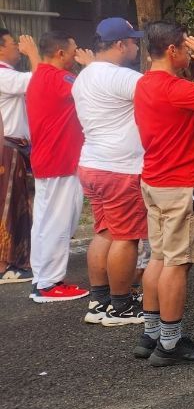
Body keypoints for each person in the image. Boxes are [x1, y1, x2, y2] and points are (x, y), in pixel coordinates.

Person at [132, 21, 194, 365]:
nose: (189, 54)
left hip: (154, 181)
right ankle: (170, 344)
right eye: (186, 49)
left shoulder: (143, 84)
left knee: (158, 258)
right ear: (172, 51)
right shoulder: (178, 89)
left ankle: (151, 333)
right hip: (179, 185)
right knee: (177, 263)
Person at [73, 17, 147, 326]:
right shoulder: (121, 78)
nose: (136, 46)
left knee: (104, 232)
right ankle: (121, 306)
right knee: (127, 239)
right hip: (120, 168)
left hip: (91, 163)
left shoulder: (85, 76)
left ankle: (99, 300)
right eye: (133, 41)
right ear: (120, 45)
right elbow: (157, 92)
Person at [27, 31, 92, 302]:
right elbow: (89, 89)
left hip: (48, 160)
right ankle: (50, 283)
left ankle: (43, 278)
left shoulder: (39, 75)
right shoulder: (59, 78)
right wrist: (92, 66)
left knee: (44, 222)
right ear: (60, 53)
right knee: (58, 222)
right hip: (61, 161)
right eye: (74, 50)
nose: (78, 55)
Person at [0, 30, 40, 283]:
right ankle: (7, 264)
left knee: (15, 204)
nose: (19, 48)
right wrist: (34, 54)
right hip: (8, 146)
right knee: (9, 205)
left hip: (14, 146)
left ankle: (13, 261)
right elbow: (39, 80)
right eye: (15, 44)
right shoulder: (4, 74)